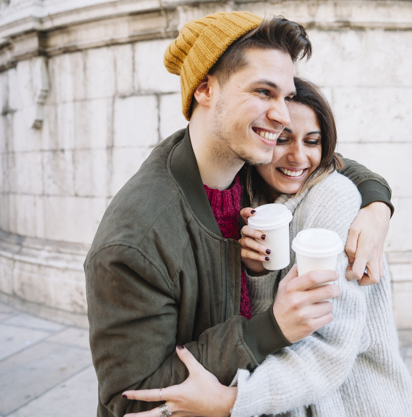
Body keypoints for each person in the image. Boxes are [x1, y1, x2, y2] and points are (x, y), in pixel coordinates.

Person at [84, 11, 394, 417]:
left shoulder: (249, 160)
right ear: (205, 90)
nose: (283, 115)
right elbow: (131, 396)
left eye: (285, 96)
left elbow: (328, 164)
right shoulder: (137, 239)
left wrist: (376, 205)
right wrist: (269, 330)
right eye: (264, 92)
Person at [122, 78, 412, 416]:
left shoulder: (332, 197)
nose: (298, 156)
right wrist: (259, 272)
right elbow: (278, 324)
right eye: (282, 139)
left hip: (355, 402)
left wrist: (230, 403)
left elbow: (327, 344)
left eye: (312, 141)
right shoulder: (256, 197)